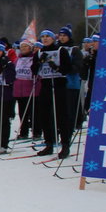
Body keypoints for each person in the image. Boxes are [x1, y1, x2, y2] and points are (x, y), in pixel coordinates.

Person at [36, 29, 72, 158]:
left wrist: (55, 66)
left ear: (53, 38)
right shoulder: (40, 51)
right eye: (43, 37)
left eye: (47, 37)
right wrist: (39, 62)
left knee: (61, 115)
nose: (45, 39)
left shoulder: (60, 50)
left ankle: (65, 144)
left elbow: (68, 68)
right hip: (45, 85)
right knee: (45, 115)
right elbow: (34, 70)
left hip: (59, 85)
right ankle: (49, 143)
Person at [13, 40, 42, 140]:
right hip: (19, 89)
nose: (23, 48)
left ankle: (37, 132)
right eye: (22, 47)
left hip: (32, 88)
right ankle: (23, 132)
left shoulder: (34, 58)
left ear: (30, 48)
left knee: (34, 112)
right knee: (22, 113)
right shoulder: (17, 59)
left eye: (26, 46)